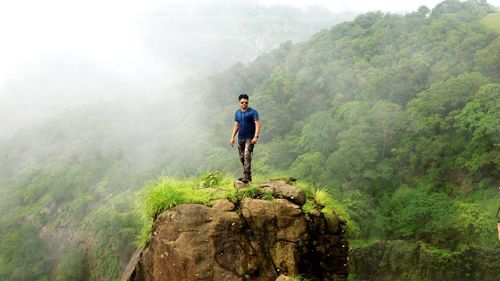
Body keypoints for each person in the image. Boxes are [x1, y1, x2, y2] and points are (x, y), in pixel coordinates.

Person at [230, 94, 260, 183]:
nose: (244, 104)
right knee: (242, 157)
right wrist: (232, 137)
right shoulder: (237, 113)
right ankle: (248, 175)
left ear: (248, 102)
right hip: (241, 138)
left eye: (246, 102)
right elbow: (236, 125)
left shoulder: (253, 112)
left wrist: (256, 137)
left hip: (250, 138)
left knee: (247, 155)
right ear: (239, 103)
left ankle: (246, 176)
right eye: (242, 102)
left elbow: (257, 124)